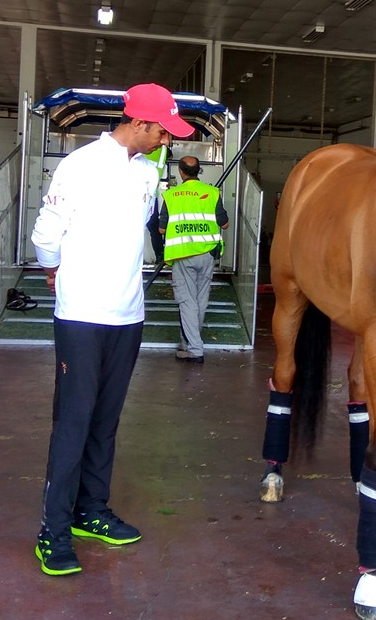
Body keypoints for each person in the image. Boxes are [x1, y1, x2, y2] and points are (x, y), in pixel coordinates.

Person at [30, 82, 195, 576]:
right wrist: (53, 268)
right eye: (163, 131)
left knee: (106, 421)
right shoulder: (79, 165)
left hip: (129, 315)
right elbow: (46, 232)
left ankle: (90, 510)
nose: (168, 140)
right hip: (82, 315)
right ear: (140, 123)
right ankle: (52, 531)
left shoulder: (149, 174)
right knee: (73, 424)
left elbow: (137, 227)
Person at [158, 155, 229, 363]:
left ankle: (195, 349)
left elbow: (162, 228)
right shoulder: (212, 192)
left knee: (187, 301)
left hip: (182, 256)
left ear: (181, 172)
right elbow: (224, 224)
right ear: (199, 171)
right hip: (207, 255)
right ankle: (188, 342)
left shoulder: (171, 196)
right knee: (200, 301)